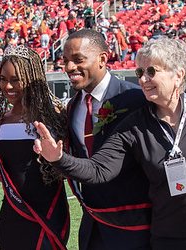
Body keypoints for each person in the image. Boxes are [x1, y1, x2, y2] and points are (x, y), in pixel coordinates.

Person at [33, 38, 186, 250]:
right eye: (140, 71)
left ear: (178, 74)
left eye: (152, 71)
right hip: (167, 237)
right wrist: (59, 159)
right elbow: (99, 170)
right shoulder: (134, 124)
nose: (143, 79)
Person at [61, 29, 150, 249]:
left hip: (135, 225)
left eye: (78, 60)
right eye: (65, 61)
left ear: (103, 58)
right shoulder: (72, 107)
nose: (69, 68)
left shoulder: (136, 98)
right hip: (93, 225)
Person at [0, 45, 70, 250]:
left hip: (48, 211)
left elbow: (69, 164)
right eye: (3, 79)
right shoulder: (1, 121)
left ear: (32, 79)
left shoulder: (54, 117)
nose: (8, 86)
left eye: (16, 80)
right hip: (11, 214)